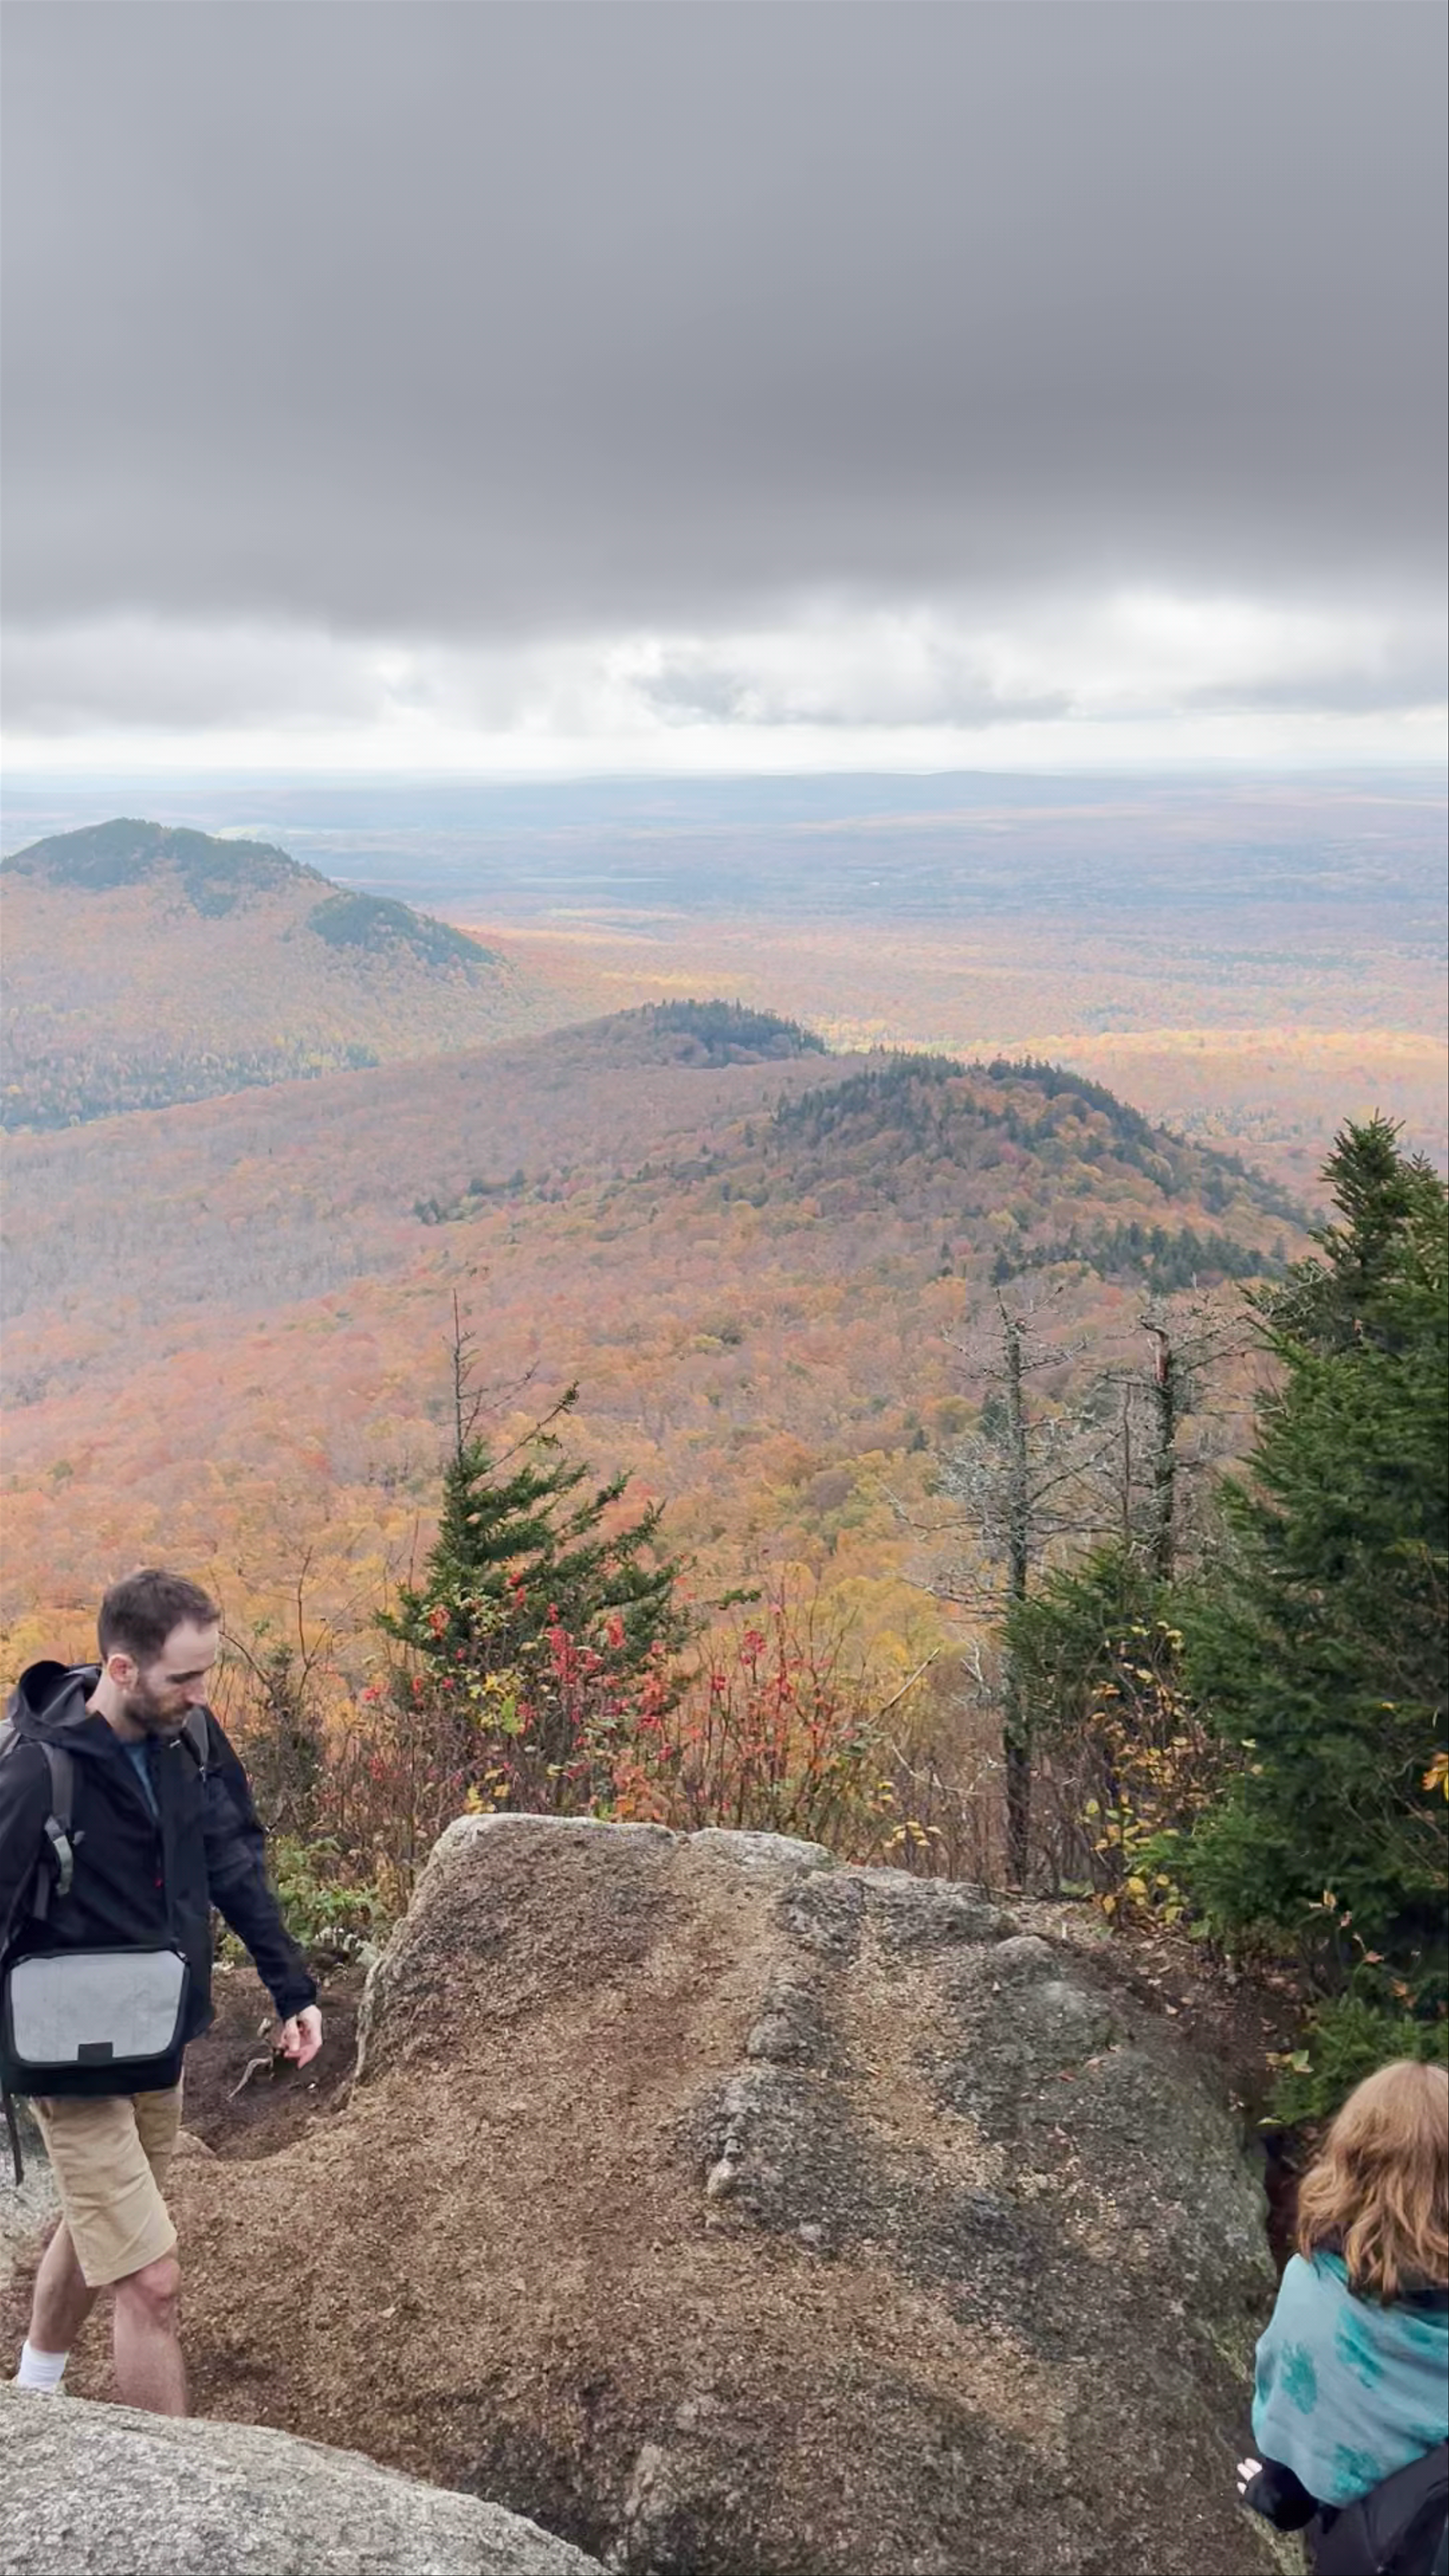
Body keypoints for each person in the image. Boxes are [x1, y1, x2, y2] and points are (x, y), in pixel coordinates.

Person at [0, 1568, 322, 2416]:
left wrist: (291, 1986)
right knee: (151, 2277)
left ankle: (33, 2387)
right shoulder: (38, 1770)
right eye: (184, 1676)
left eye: (206, 1671)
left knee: (101, 2215)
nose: (200, 1692)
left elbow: (234, 1862)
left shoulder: (194, 1742)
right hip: (67, 2062)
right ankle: (171, 2490)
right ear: (120, 1668)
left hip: (158, 2038)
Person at [1239, 2059, 1449, 2574]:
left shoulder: (1313, 2294)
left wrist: (1268, 2492)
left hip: (1375, 2545)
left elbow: (1300, 2459)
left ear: (1350, 2158)